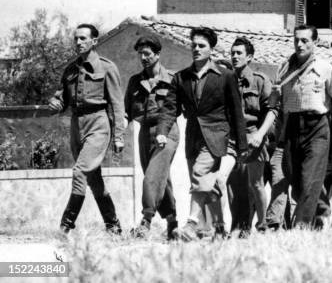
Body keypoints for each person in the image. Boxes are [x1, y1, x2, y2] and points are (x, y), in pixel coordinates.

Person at [156, 27, 246, 241]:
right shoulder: (181, 78)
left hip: (217, 137)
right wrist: (162, 131)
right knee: (209, 185)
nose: (196, 49)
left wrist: (242, 145)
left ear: (211, 49)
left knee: (199, 174)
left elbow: (236, 112)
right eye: (193, 45)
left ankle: (191, 224)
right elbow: (170, 108)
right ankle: (221, 227)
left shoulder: (226, 76)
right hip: (193, 138)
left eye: (201, 46)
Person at [49, 24, 124, 234]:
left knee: (80, 171)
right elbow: (61, 98)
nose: (78, 42)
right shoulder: (70, 69)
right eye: (76, 39)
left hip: (98, 124)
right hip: (76, 125)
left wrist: (119, 136)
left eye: (83, 38)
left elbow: (117, 104)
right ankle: (113, 225)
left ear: (94, 41)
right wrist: (55, 103)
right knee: (93, 178)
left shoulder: (107, 67)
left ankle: (65, 226)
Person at [271, 24, 332, 228]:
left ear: (315, 42)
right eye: (296, 40)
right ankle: (321, 210)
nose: (299, 44)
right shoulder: (284, 68)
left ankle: (301, 227)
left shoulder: (325, 67)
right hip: (292, 127)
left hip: (317, 128)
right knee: (295, 180)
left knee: (310, 178)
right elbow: (275, 102)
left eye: (305, 40)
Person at [125, 35, 179, 239]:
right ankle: (172, 222)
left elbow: (180, 108)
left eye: (147, 54)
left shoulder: (173, 79)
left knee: (152, 176)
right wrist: (119, 134)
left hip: (168, 132)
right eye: (140, 54)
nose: (143, 58)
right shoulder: (135, 81)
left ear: (157, 54)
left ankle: (145, 222)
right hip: (144, 133)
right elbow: (127, 111)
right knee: (161, 177)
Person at [229, 37, 276, 233]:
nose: (234, 56)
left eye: (239, 53)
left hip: (253, 135)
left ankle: (262, 223)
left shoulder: (260, 80)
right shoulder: (226, 79)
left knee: (255, 184)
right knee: (232, 184)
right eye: (232, 53)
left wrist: (260, 134)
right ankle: (239, 225)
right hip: (232, 138)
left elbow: (273, 110)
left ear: (249, 57)